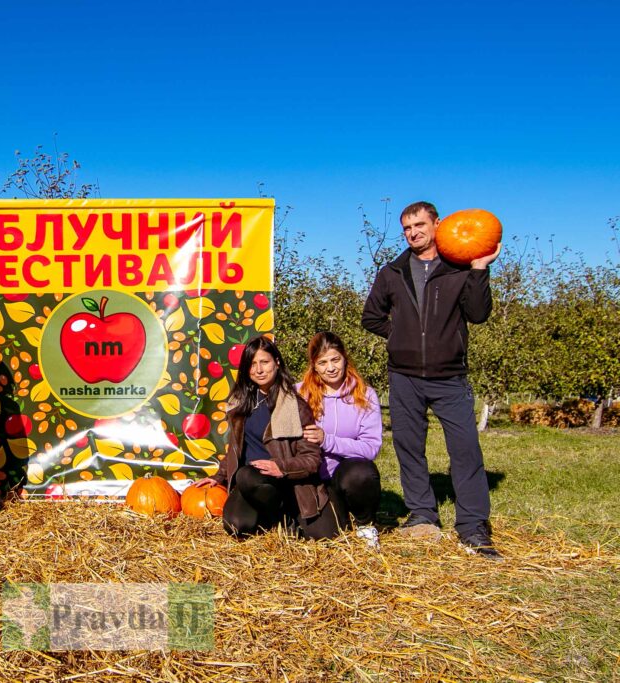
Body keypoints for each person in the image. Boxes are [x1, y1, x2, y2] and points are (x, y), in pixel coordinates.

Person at [362, 200, 502, 559]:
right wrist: (401, 336)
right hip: (405, 375)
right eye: (407, 228)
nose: (413, 233)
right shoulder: (392, 272)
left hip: (449, 375)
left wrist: (479, 269)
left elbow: (478, 314)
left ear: (437, 224)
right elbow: (371, 317)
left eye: (420, 225)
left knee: (465, 449)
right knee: (409, 447)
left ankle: (472, 526)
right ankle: (423, 514)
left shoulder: (458, 268)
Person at [190, 336, 337, 539]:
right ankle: (275, 517)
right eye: (252, 364)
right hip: (253, 482)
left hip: (288, 483)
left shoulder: (294, 405)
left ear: (277, 363)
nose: (259, 370)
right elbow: (235, 449)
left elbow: (312, 460)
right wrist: (218, 477)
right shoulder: (240, 404)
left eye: (264, 362)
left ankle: (286, 512)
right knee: (237, 524)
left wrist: (281, 467)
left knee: (323, 535)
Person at [297, 332, 383, 549]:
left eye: (335, 360)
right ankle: (338, 513)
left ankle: (365, 523)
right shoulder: (300, 393)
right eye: (323, 362)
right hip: (313, 478)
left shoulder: (365, 395)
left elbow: (371, 447)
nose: (331, 368)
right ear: (314, 366)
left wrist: (328, 441)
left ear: (345, 359)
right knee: (322, 535)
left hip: (345, 474)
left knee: (361, 473)